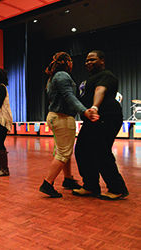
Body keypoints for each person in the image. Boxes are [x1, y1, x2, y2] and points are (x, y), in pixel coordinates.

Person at [38, 52, 99, 198]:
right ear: (66, 62)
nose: (72, 64)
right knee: (63, 153)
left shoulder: (54, 76)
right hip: (62, 118)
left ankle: (68, 179)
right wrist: (84, 111)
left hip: (56, 117)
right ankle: (47, 183)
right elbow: (69, 96)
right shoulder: (63, 75)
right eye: (70, 61)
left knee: (64, 150)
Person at [73, 50, 129, 200]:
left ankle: (117, 188)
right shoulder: (89, 79)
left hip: (106, 117)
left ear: (102, 60)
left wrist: (95, 107)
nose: (88, 63)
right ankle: (90, 186)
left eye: (92, 59)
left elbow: (100, 90)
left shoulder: (107, 76)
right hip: (92, 119)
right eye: (86, 61)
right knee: (82, 150)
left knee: (101, 151)